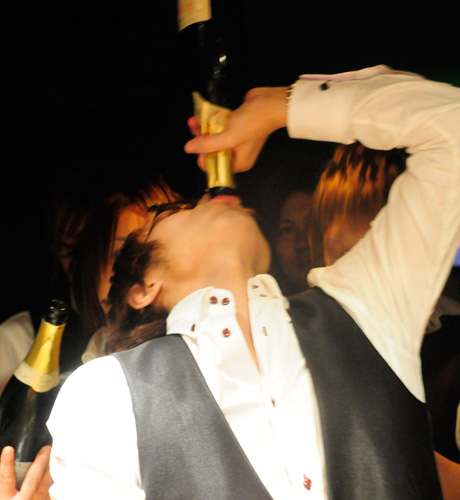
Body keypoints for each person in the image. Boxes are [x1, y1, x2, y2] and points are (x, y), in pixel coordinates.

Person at [46, 65, 460, 499]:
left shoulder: (365, 308)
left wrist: (284, 107)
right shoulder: (106, 394)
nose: (208, 197)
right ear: (144, 287)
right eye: (176, 211)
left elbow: (449, 127)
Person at [0, 165, 180, 500]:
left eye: (151, 251)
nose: (138, 271)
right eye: (120, 253)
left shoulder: (203, 361)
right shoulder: (90, 375)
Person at [308, 140, 460, 498]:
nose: (351, 279)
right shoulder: (316, 341)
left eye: (367, 256)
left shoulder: (451, 350)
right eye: (339, 257)